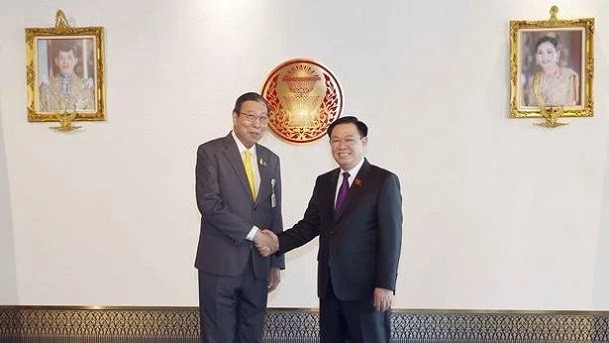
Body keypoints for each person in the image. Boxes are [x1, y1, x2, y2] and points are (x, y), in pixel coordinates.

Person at [256, 116, 403, 343]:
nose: (341, 146)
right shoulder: (324, 182)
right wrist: (277, 242)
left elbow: (391, 238)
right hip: (330, 287)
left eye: (348, 139)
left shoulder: (382, 181)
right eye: (335, 140)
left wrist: (385, 284)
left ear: (364, 142)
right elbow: (310, 225)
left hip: (367, 291)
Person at [194, 92, 283, 343]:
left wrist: (276, 262)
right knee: (218, 334)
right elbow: (209, 204)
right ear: (235, 117)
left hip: (258, 265)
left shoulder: (271, 159)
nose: (257, 124)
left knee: (251, 333)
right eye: (250, 117)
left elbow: (274, 211)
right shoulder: (210, 152)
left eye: (263, 118)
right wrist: (255, 235)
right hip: (220, 262)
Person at [38, 42, 95, 112]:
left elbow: (91, 114)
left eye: (69, 57)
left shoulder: (85, 87)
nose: (65, 61)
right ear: (56, 61)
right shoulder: (46, 87)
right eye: (62, 58)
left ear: (75, 61)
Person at [525, 36, 579, 107]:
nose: (545, 57)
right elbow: (529, 107)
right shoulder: (532, 80)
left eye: (549, 52)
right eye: (540, 53)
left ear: (557, 54)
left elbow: (571, 106)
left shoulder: (569, 75)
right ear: (536, 57)